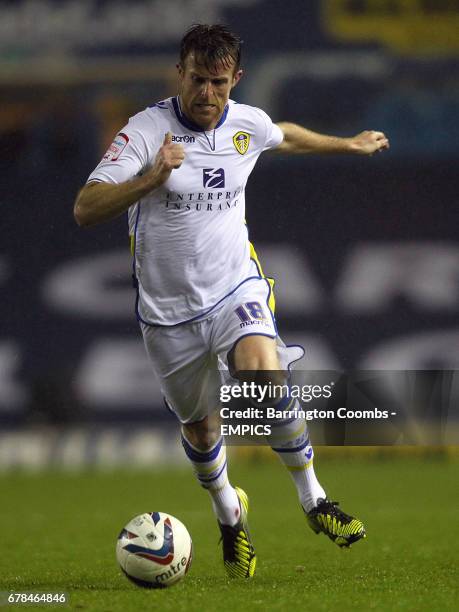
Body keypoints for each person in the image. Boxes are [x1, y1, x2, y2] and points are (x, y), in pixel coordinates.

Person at [74, 24, 389, 579]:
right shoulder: (145, 131)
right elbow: (86, 206)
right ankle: (229, 516)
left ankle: (315, 501)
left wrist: (349, 143)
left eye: (218, 82)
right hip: (167, 314)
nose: (206, 94)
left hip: (233, 288)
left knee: (263, 373)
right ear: (180, 73)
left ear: (234, 79)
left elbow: (282, 135)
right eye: (197, 79)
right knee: (201, 429)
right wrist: (151, 178)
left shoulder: (245, 123)